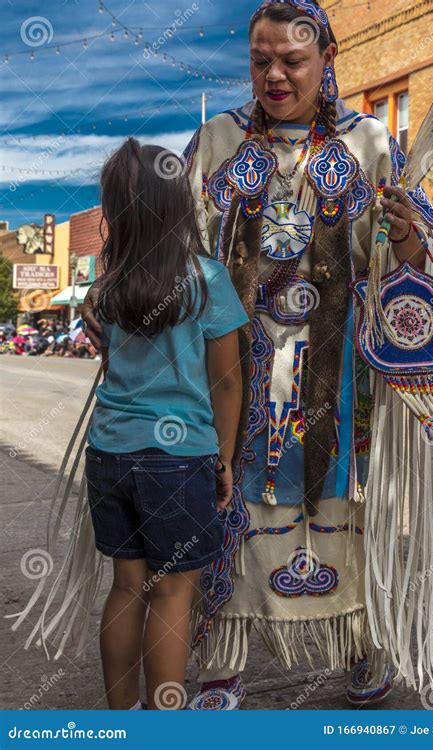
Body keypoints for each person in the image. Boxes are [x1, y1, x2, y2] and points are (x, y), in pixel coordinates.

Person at [80, 0, 433, 709]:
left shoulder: (371, 141)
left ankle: (360, 645)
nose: (276, 75)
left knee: (343, 517)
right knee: (231, 517)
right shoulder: (217, 139)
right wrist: (113, 293)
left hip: (338, 378)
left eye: (293, 60)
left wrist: (408, 239)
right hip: (234, 370)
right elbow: (169, 244)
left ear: (326, 60)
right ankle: (223, 665)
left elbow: (410, 254)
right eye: (261, 61)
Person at [83, 137, 249, 709]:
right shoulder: (206, 278)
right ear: (177, 203)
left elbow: (115, 364)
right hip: (178, 462)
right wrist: (223, 458)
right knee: (174, 591)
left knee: (126, 587)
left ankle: (122, 719)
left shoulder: (105, 288)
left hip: (109, 454)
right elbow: (227, 381)